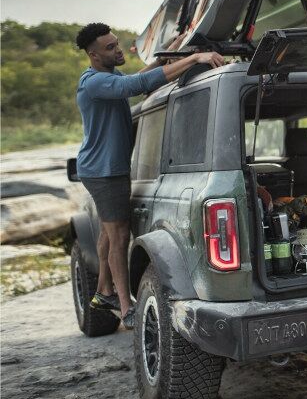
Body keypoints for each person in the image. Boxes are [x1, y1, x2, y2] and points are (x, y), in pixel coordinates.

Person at [75, 22, 224, 329]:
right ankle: (125, 306)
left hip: (107, 168)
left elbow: (140, 77)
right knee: (119, 235)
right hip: (104, 171)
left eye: (117, 43)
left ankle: (104, 291)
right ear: (93, 55)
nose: (118, 50)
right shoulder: (94, 83)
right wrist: (194, 59)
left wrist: (170, 54)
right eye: (110, 48)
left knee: (108, 232)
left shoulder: (108, 76)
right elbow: (137, 85)